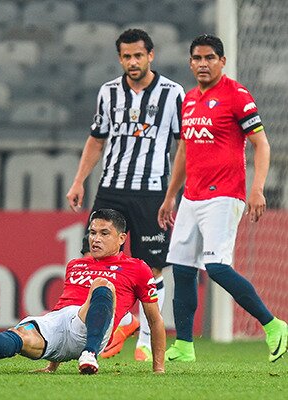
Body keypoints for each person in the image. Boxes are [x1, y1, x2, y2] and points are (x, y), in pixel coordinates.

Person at [158, 34, 287, 363]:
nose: (203, 64)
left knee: (215, 267)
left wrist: (256, 188)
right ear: (190, 62)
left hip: (224, 194)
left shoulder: (237, 95)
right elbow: (185, 151)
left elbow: (261, 144)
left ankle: (274, 326)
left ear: (222, 62)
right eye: (197, 58)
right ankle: (185, 345)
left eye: (210, 58)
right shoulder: (188, 100)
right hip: (192, 195)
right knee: (183, 269)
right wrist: (171, 196)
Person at [65, 29, 185, 361]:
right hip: (111, 189)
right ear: (120, 58)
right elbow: (97, 139)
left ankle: (145, 340)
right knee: (94, 262)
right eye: (126, 56)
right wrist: (78, 181)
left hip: (153, 193)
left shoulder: (173, 94)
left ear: (151, 55)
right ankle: (87, 336)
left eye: (138, 55)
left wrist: (172, 193)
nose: (132, 62)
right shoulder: (108, 93)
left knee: (153, 268)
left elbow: (182, 145)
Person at [0, 209, 165, 374]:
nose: (95, 239)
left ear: (122, 238)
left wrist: (159, 369)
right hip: (58, 324)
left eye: (104, 233)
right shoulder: (76, 264)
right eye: (92, 232)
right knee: (18, 337)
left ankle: (90, 353)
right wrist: (52, 364)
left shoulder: (138, 268)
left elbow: (154, 320)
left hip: (91, 332)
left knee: (101, 285)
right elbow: (65, 313)